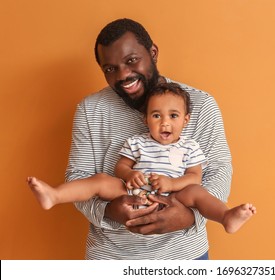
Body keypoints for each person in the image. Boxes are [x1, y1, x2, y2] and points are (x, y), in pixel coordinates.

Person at [63, 18, 234, 260]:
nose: (124, 75)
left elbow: (218, 170)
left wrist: (188, 216)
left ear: (153, 52)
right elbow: (78, 177)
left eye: (131, 60)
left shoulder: (201, 105)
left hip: (185, 255)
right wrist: (109, 210)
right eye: (110, 69)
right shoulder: (90, 110)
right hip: (111, 257)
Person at [27, 83, 256, 234]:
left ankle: (226, 216)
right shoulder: (137, 142)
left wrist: (172, 184)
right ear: (146, 120)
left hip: (175, 198)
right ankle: (55, 195)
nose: (165, 122)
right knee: (99, 180)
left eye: (173, 116)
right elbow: (122, 166)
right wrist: (130, 174)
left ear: (185, 121)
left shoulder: (190, 146)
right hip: (134, 193)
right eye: (156, 116)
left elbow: (195, 176)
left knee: (197, 193)